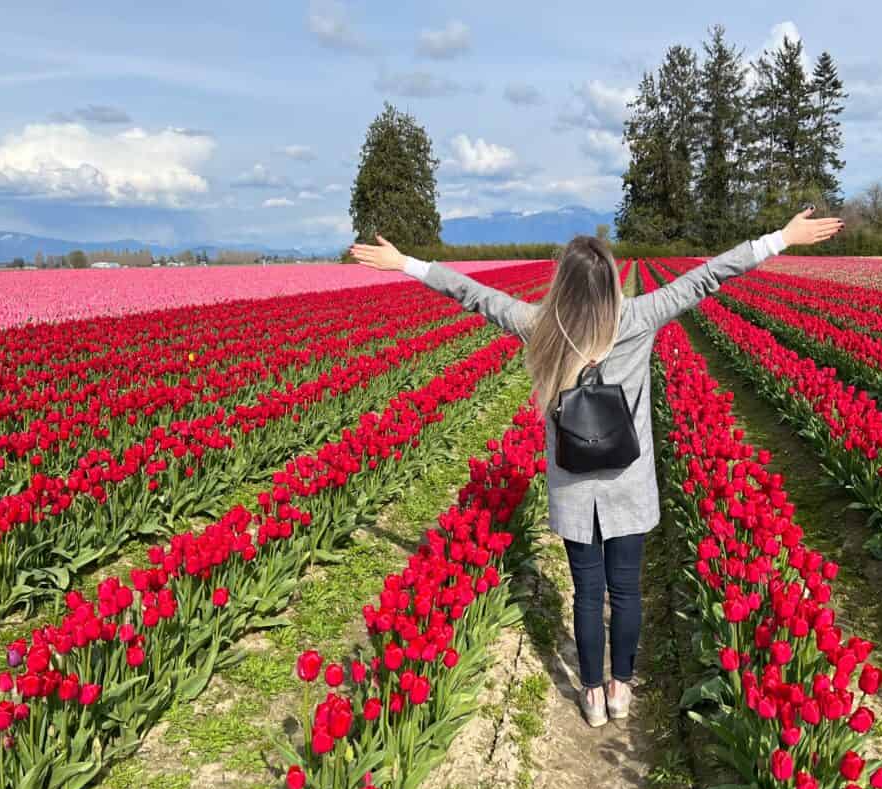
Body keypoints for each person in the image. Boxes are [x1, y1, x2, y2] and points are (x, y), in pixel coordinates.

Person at [350, 209, 842, 727]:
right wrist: (781, 238)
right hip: (628, 481)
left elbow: (472, 294)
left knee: (587, 592)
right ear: (610, 281)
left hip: (572, 485)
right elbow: (711, 274)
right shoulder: (639, 317)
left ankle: (589, 693)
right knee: (625, 590)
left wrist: (406, 262)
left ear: (563, 283)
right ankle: (621, 688)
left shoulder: (539, 324)